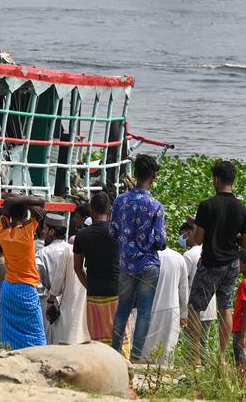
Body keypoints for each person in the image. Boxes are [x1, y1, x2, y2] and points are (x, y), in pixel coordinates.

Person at [188, 159, 246, 362]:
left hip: (211, 262)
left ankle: (195, 355)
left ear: (216, 180)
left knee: (194, 308)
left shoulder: (207, 205)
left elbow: (198, 239)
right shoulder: (242, 209)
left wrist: (196, 226)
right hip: (232, 263)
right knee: (225, 308)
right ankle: (222, 357)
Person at [110, 154, 166, 362]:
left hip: (126, 263)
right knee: (144, 312)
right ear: (152, 175)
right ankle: (135, 357)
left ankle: (115, 352)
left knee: (122, 308)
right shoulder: (155, 206)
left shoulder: (120, 201)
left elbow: (113, 231)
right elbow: (160, 239)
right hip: (148, 264)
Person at [0, 193, 46, 350]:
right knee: (36, 336)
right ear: (26, 214)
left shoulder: (3, 230)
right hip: (25, 289)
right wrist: (23, 201)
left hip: (8, 288)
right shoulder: (27, 232)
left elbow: (4, 208)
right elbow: (41, 203)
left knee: (9, 335)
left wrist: (15, 201)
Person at [74, 192, 121, 344]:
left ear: (91, 211)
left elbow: (77, 267)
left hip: (94, 292)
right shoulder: (118, 232)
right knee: (120, 338)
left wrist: (89, 285)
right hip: (117, 292)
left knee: (98, 339)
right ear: (109, 211)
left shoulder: (82, 235)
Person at [36, 212, 88, 345]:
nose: (43, 232)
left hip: (48, 304)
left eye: (45, 229)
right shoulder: (74, 250)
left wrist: (50, 299)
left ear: (51, 232)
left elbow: (38, 282)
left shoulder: (41, 254)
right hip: (72, 302)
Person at [141, 246, 190, 366]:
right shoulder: (178, 257)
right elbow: (183, 289)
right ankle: (165, 376)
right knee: (167, 347)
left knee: (144, 346)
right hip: (170, 309)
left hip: (146, 307)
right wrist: (184, 314)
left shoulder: (143, 256)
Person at [183, 241, 218, 364]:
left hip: (193, 306)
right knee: (204, 341)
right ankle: (207, 367)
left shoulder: (189, 255)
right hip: (210, 305)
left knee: (192, 341)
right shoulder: (214, 252)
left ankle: (193, 366)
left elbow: (182, 281)